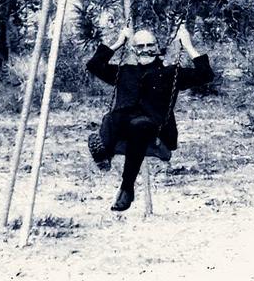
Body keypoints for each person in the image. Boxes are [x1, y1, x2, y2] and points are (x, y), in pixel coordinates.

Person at [86, 24, 214, 211]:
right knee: (112, 117)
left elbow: (206, 75)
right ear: (133, 50)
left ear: (157, 47)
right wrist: (118, 42)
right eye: (140, 46)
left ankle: (126, 189)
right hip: (123, 129)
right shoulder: (124, 72)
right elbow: (94, 65)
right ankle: (104, 154)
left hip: (154, 131)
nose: (146, 49)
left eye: (150, 45)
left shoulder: (171, 73)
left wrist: (187, 44)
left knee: (140, 125)